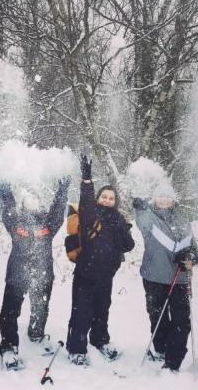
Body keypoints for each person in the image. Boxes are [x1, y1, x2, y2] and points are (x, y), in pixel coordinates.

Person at [66, 155, 135, 366]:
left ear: (115, 202)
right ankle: (76, 348)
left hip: (106, 276)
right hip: (85, 274)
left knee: (102, 310)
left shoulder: (118, 219)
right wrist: (87, 180)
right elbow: (85, 201)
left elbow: (128, 245)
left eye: (111, 198)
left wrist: (123, 227)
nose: (107, 200)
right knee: (81, 311)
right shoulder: (90, 215)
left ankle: (100, 340)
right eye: (103, 197)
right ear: (98, 198)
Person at [0, 177, 70, 370]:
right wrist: (5, 188)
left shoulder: (48, 223)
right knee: (10, 311)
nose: (32, 201)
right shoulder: (16, 221)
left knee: (40, 307)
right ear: (23, 202)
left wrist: (62, 190)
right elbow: (8, 207)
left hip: (43, 273)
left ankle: (36, 333)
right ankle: (9, 345)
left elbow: (57, 211)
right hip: (17, 275)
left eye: (35, 198)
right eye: (28, 198)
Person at [133, 183, 198, 372]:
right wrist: (139, 204)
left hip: (180, 279)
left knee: (181, 321)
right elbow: (140, 217)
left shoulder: (182, 220)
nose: (163, 200)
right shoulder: (149, 217)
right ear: (154, 199)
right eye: (160, 196)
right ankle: (161, 348)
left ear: (173, 199)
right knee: (158, 317)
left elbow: (195, 252)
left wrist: (191, 258)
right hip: (154, 278)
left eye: (167, 196)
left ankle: (173, 361)